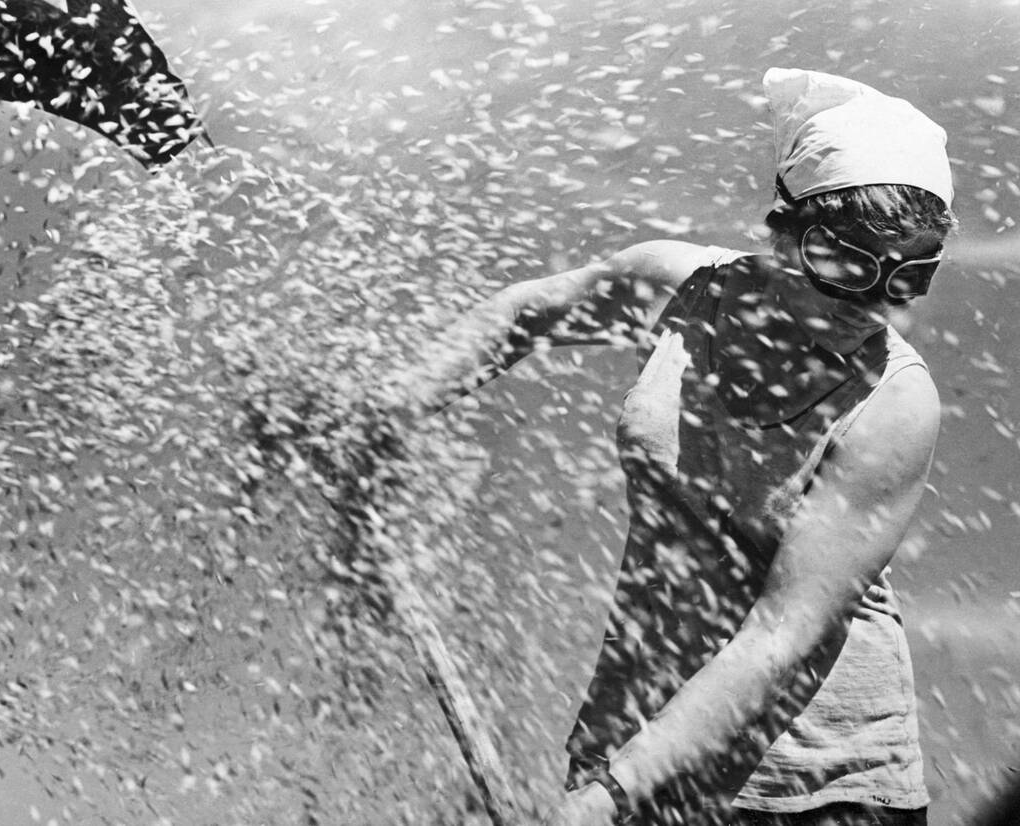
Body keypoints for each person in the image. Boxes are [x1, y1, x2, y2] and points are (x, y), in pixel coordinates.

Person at [396, 68, 955, 825]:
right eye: (846, 263)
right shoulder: (681, 291)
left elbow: (782, 632)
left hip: (816, 789)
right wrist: (388, 409)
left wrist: (608, 798)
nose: (870, 300)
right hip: (635, 729)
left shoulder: (897, 403)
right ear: (784, 231)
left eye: (906, 277)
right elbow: (527, 314)